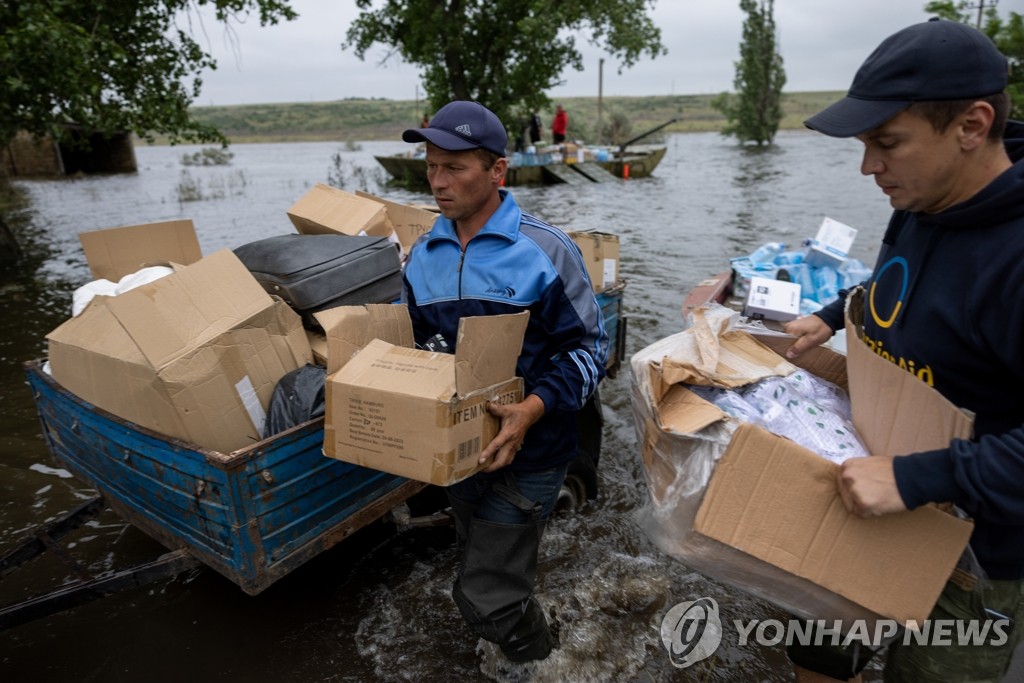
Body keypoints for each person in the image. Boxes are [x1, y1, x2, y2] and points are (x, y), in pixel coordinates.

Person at [782, 18, 1024, 683]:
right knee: (818, 652)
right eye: (865, 144)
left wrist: (917, 478)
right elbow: (900, 285)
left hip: (978, 551)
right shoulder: (922, 197)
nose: (869, 167)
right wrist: (834, 316)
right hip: (870, 490)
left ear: (972, 126)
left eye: (886, 143)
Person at [400, 101, 608, 663]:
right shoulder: (421, 256)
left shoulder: (545, 251)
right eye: (431, 165)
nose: (438, 182)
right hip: (463, 455)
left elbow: (590, 350)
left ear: (497, 171)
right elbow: (418, 351)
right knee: (478, 556)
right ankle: (522, 626)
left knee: (487, 595)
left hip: (535, 451)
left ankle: (542, 664)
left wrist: (532, 410)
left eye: (455, 168)